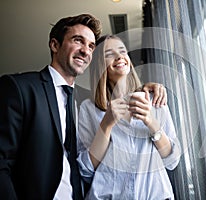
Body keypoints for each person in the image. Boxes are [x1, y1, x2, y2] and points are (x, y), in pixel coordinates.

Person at [0, 14, 167, 200]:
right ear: (55, 45)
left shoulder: (81, 101)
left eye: (91, 46)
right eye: (78, 41)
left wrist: (148, 88)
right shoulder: (19, 88)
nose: (85, 51)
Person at [77, 35, 181, 199]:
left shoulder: (154, 100)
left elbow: (172, 161)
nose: (119, 57)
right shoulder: (89, 109)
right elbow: (85, 169)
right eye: (109, 53)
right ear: (99, 65)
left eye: (122, 51)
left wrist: (150, 121)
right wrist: (106, 125)